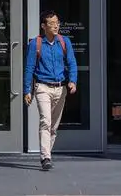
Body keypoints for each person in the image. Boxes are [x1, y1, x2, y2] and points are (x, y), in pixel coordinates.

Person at [23, 10, 78, 171]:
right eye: (52, 23)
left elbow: (72, 63)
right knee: (45, 121)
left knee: (53, 126)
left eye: (57, 23)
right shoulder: (36, 44)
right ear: (43, 26)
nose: (56, 26)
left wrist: (72, 81)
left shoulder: (64, 42)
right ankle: (45, 157)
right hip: (42, 87)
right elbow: (29, 68)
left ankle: (48, 154)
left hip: (60, 88)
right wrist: (27, 90)